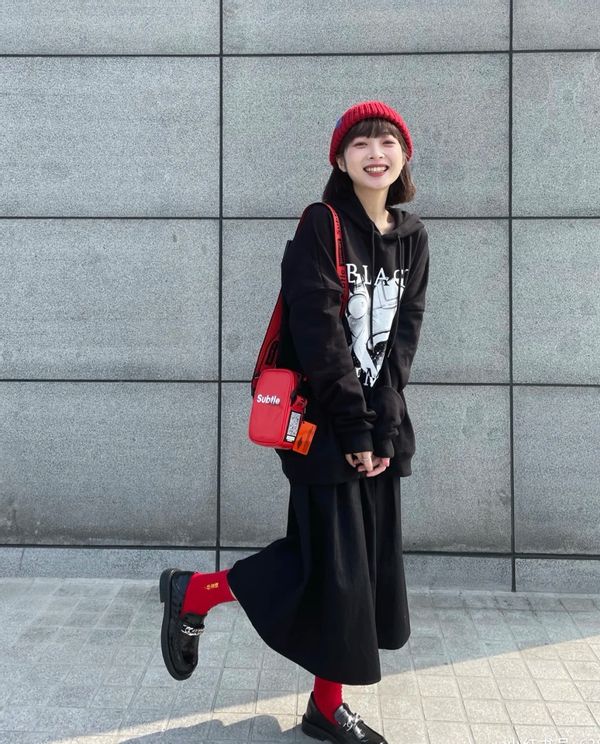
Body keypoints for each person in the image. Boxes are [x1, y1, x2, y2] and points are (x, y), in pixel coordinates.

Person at [159, 100, 430, 744]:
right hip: (325, 425)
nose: (375, 153)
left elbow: (404, 338)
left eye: (387, 142)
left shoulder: (413, 236)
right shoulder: (321, 224)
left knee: (352, 571)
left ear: (404, 156)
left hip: (377, 427)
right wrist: (355, 429)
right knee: (329, 565)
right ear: (340, 158)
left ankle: (321, 705)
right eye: (360, 143)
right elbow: (319, 334)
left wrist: (384, 428)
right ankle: (196, 594)